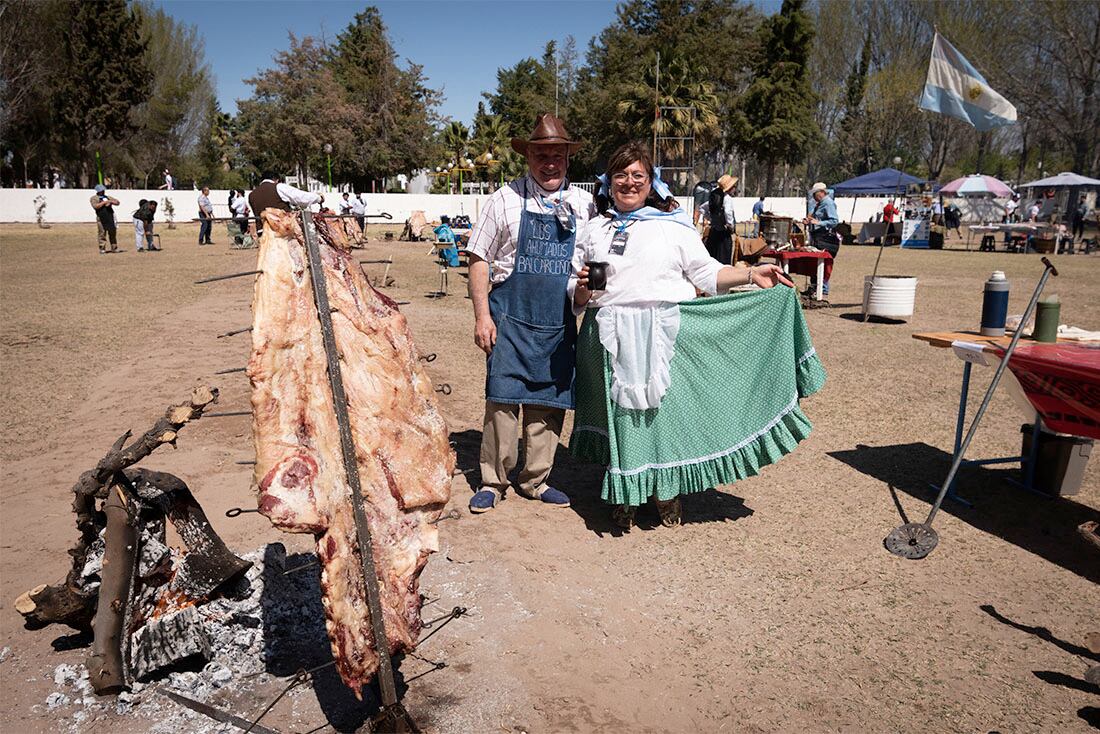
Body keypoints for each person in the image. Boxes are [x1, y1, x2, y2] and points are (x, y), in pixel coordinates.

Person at [567, 141, 807, 529]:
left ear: (651, 182)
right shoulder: (594, 229)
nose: (629, 183)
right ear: (608, 183)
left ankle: (666, 493)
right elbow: (576, 291)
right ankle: (626, 495)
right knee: (621, 416)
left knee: (662, 416)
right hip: (606, 334)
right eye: (621, 175)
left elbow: (707, 275)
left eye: (637, 176)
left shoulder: (672, 227)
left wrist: (751, 273)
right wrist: (580, 288)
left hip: (664, 332)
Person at [465, 113, 596, 514]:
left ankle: (535, 480)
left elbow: (593, 258)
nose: (550, 161)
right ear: (529, 158)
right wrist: (482, 316)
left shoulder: (584, 204)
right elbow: (478, 259)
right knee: (502, 402)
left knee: (549, 405)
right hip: (509, 317)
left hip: (558, 319)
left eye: (557, 154)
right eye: (542, 154)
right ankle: (493, 481)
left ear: (568, 159)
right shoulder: (503, 199)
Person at [248, 173, 322, 236]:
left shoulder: (251, 195)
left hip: (263, 233)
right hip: (282, 231)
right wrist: (319, 198)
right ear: (276, 179)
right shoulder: (278, 187)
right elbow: (300, 197)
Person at [803, 182, 840, 296]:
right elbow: (816, 219)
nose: (814, 196)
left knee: (822, 263)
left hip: (824, 237)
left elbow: (834, 221)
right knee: (815, 263)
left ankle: (822, 288)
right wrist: (809, 221)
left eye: (815, 193)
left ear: (822, 192)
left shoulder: (828, 203)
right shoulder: (819, 204)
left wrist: (818, 222)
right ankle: (815, 287)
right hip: (817, 236)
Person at [704, 174, 737, 264]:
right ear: (730, 187)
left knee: (713, 257)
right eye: (734, 186)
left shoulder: (714, 195)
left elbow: (703, 208)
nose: (735, 188)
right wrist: (730, 225)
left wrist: (710, 218)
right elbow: (728, 212)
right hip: (723, 233)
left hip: (714, 231)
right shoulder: (726, 198)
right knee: (723, 259)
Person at [90, 184, 120, 254]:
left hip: (110, 216)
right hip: (101, 217)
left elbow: (117, 202)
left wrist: (111, 202)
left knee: (112, 232)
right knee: (102, 233)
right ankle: (102, 248)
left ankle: (114, 247)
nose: (103, 191)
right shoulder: (94, 198)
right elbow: (96, 206)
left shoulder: (108, 197)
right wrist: (104, 203)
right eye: (101, 190)